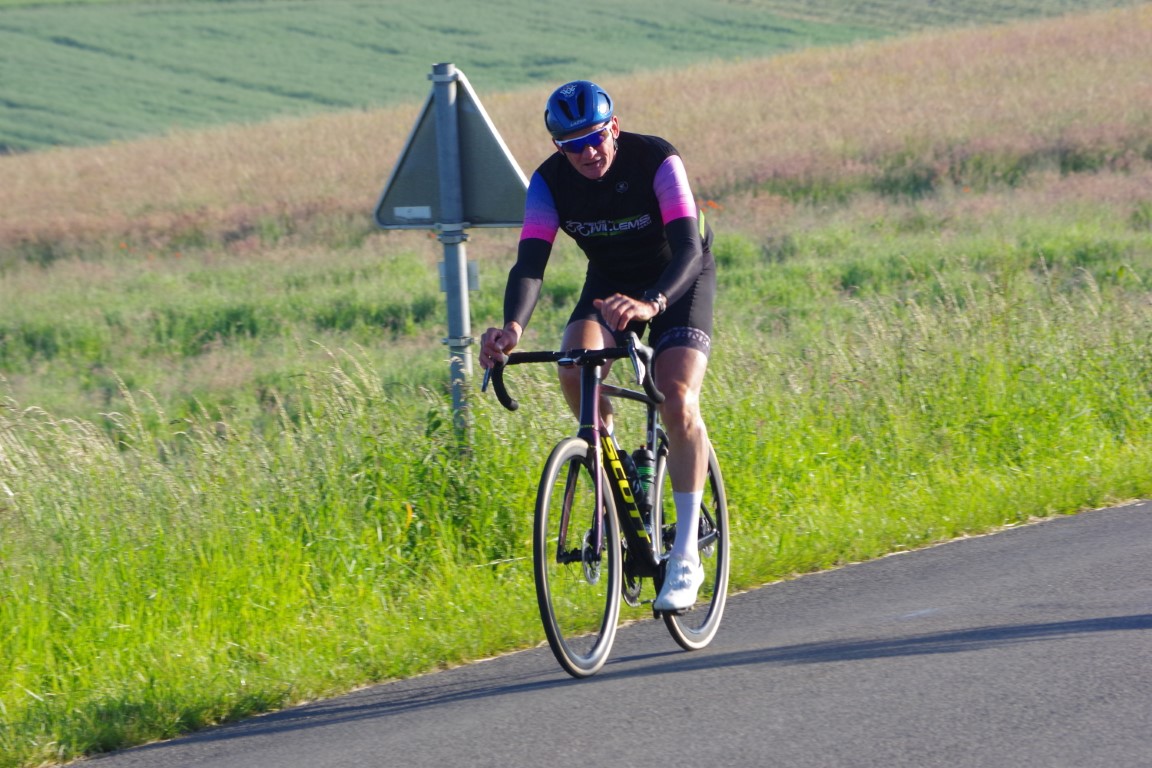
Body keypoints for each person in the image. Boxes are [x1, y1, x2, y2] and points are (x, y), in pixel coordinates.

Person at [479, 80, 716, 612]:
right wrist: (511, 329)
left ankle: (685, 556)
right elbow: (530, 264)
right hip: (610, 284)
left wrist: (652, 303)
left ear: (614, 128)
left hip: (678, 280)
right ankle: (615, 469)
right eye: (572, 145)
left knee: (676, 396)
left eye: (594, 138)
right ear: (558, 147)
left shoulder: (656, 160)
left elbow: (687, 248)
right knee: (572, 364)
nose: (587, 153)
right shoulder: (548, 183)